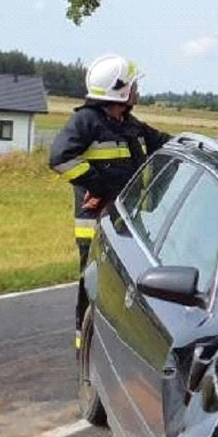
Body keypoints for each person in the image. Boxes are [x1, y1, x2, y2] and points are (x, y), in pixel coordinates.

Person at [49, 54, 170, 342]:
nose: (137, 91)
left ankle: (114, 343)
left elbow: (165, 144)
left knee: (121, 288)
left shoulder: (129, 124)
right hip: (95, 225)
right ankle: (85, 346)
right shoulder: (85, 122)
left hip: (125, 223)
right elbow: (59, 158)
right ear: (120, 90)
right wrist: (101, 187)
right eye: (133, 85)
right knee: (92, 285)